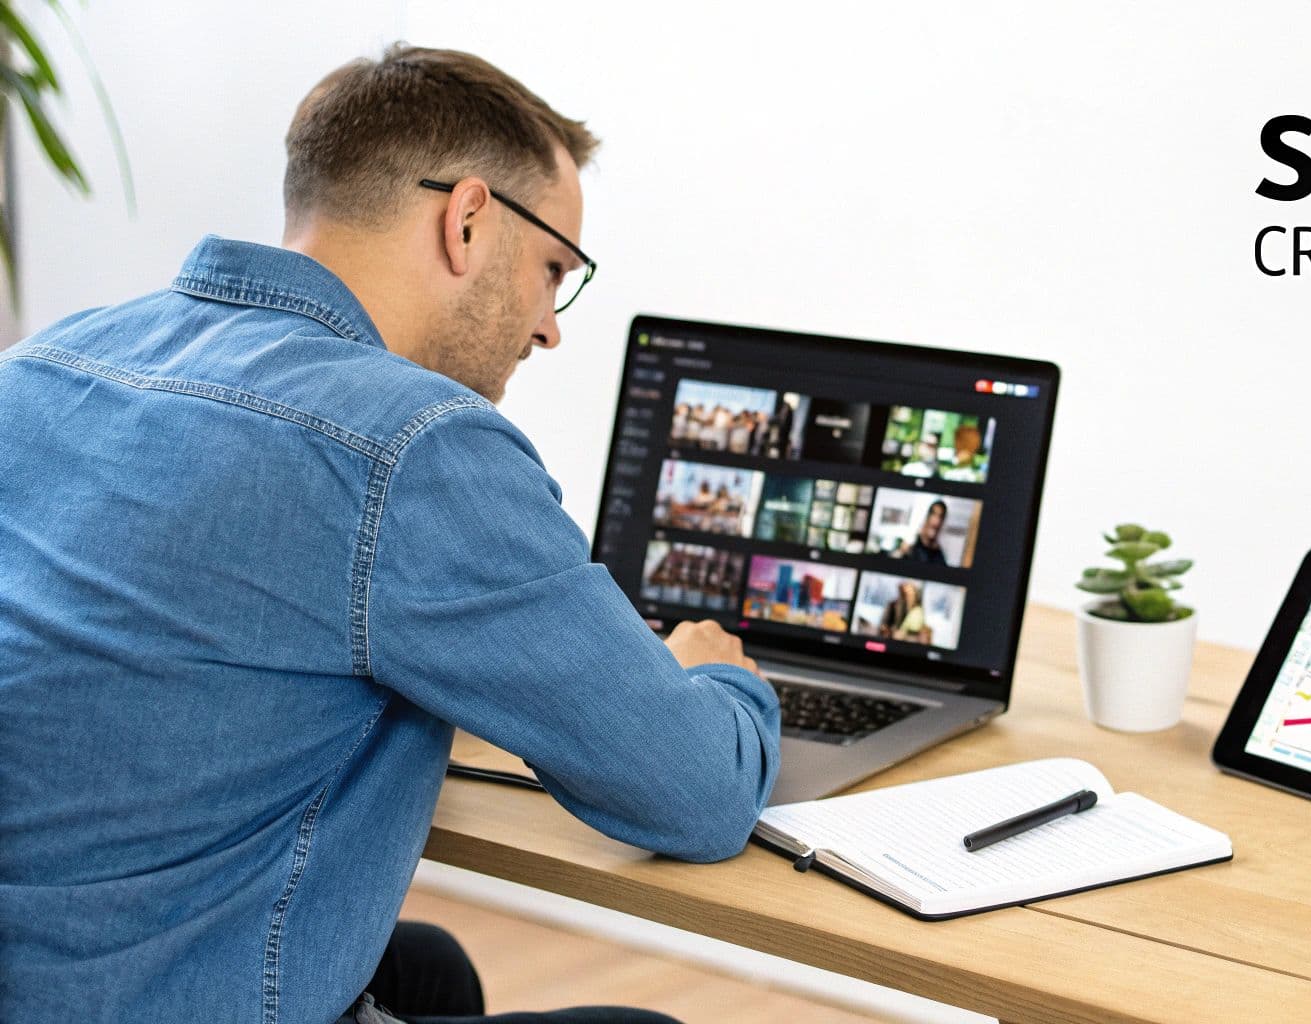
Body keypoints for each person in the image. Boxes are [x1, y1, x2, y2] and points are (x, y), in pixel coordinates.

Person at [0, 44, 780, 1024]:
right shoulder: (411, 443)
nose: (548, 327)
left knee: (424, 967)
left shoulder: (46, 361)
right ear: (466, 219)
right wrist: (719, 677)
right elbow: (694, 794)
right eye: (553, 271)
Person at [901, 499, 950, 565]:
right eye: (934, 514)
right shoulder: (909, 547)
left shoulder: (940, 557)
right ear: (927, 517)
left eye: (941, 517)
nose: (937, 522)